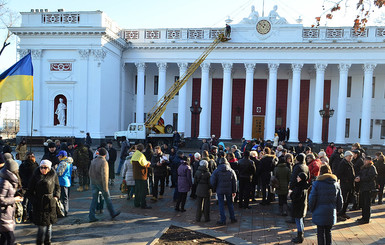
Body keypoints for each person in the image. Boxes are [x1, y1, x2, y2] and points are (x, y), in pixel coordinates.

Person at [27, 159, 60, 245]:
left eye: (45, 167)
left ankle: (47, 242)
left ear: (49, 168)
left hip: (50, 203)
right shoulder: (35, 176)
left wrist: (56, 197)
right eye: (41, 167)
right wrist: (35, 201)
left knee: (49, 226)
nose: (43, 169)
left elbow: (57, 187)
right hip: (39, 204)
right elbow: (29, 191)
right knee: (41, 227)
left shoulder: (53, 175)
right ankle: (39, 242)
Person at [309, 164, 343, 245]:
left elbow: (312, 198)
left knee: (320, 232)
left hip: (319, 210)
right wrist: (338, 209)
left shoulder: (317, 183)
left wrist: (311, 208)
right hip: (331, 211)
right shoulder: (335, 184)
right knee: (328, 231)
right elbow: (340, 199)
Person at [88, 147, 120, 222]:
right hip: (101, 182)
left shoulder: (93, 161)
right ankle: (112, 212)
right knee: (107, 198)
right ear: (105, 155)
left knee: (94, 199)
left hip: (94, 182)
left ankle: (91, 216)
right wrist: (105, 187)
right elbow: (105, 175)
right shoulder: (104, 162)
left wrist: (92, 181)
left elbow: (89, 172)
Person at [0, 153, 23, 245]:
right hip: (3, 214)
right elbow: (1, 199)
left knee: (4, 239)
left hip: (7, 213)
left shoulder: (8, 179)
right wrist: (15, 199)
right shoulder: (5, 182)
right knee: (10, 238)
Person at [210, 157, 237, 226]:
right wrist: (234, 191)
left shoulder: (216, 171)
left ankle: (223, 220)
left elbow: (212, 181)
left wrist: (214, 189)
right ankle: (232, 218)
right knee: (230, 204)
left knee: (221, 205)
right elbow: (234, 181)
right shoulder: (231, 170)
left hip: (220, 189)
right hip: (229, 190)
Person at [355, 156, 377, 224]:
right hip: (363, 188)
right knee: (363, 204)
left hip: (368, 188)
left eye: (366, 160)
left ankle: (366, 218)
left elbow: (371, 177)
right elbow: (360, 173)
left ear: (369, 161)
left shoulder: (372, 168)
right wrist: (358, 177)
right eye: (364, 160)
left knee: (367, 204)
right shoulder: (364, 167)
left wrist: (361, 179)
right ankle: (363, 216)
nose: (364, 162)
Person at [290, 172, 309, 243]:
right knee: (300, 220)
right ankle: (300, 235)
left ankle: (300, 236)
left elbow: (296, 198)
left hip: (298, 206)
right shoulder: (305, 186)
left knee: (298, 221)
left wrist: (291, 194)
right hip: (302, 206)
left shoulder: (299, 187)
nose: (297, 178)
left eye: (298, 177)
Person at [19, 152, 39, 222]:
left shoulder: (22, 165)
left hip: (24, 185)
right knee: (31, 202)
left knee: (24, 202)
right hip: (33, 186)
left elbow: (20, 176)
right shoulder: (35, 165)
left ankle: (24, 216)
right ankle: (31, 216)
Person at [336, 151, 355, 221]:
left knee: (347, 200)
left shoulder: (349, 163)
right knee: (343, 199)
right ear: (346, 156)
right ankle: (340, 214)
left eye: (351, 157)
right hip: (345, 184)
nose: (351, 158)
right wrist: (346, 179)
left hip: (350, 184)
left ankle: (343, 212)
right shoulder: (343, 163)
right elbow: (339, 174)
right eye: (350, 156)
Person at [131, 144, 152, 209]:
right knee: (143, 191)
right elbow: (144, 164)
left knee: (137, 190)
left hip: (136, 175)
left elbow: (132, 162)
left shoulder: (134, 154)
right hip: (142, 176)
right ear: (142, 149)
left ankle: (136, 203)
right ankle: (143, 204)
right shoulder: (141, 155)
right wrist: (148, 164)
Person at [56, 150, 72, 217]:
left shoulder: (63, 163)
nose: (58, 157)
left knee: (63, 198)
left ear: (62, 156)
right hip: (68, 181)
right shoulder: (69, 162)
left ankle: (64, 212)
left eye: (59, 156)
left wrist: (55, 170)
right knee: (66, 198)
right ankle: (66, 211)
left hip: (62, 182)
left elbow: (59, 173)